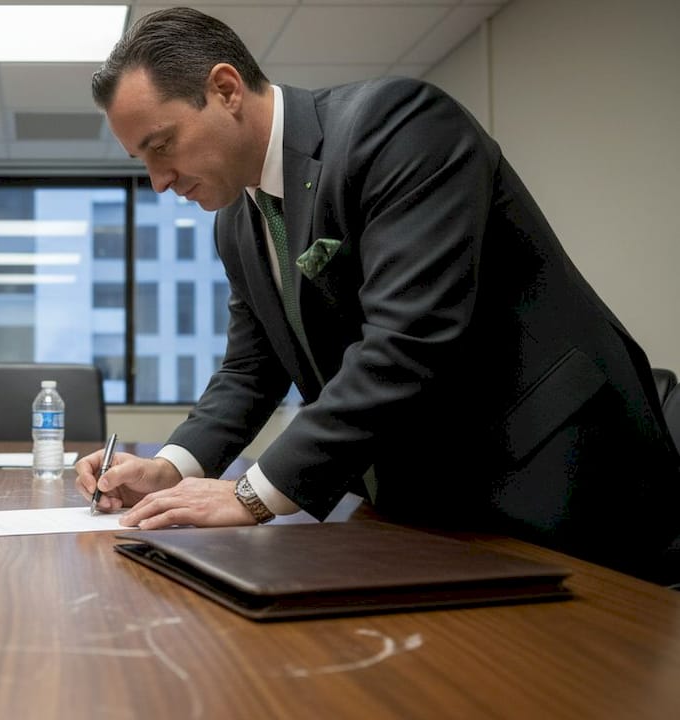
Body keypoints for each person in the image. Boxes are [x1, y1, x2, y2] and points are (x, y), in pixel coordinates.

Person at [76, 7, 680, 580]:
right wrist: (170, 466)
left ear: (227, 89)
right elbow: (250, 369)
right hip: (433, 507)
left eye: (161, 146)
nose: (157, 182)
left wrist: (251, 495)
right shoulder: (236, 222)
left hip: (563, 477)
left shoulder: (398, 127)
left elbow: (407, 341)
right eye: (142, 161)